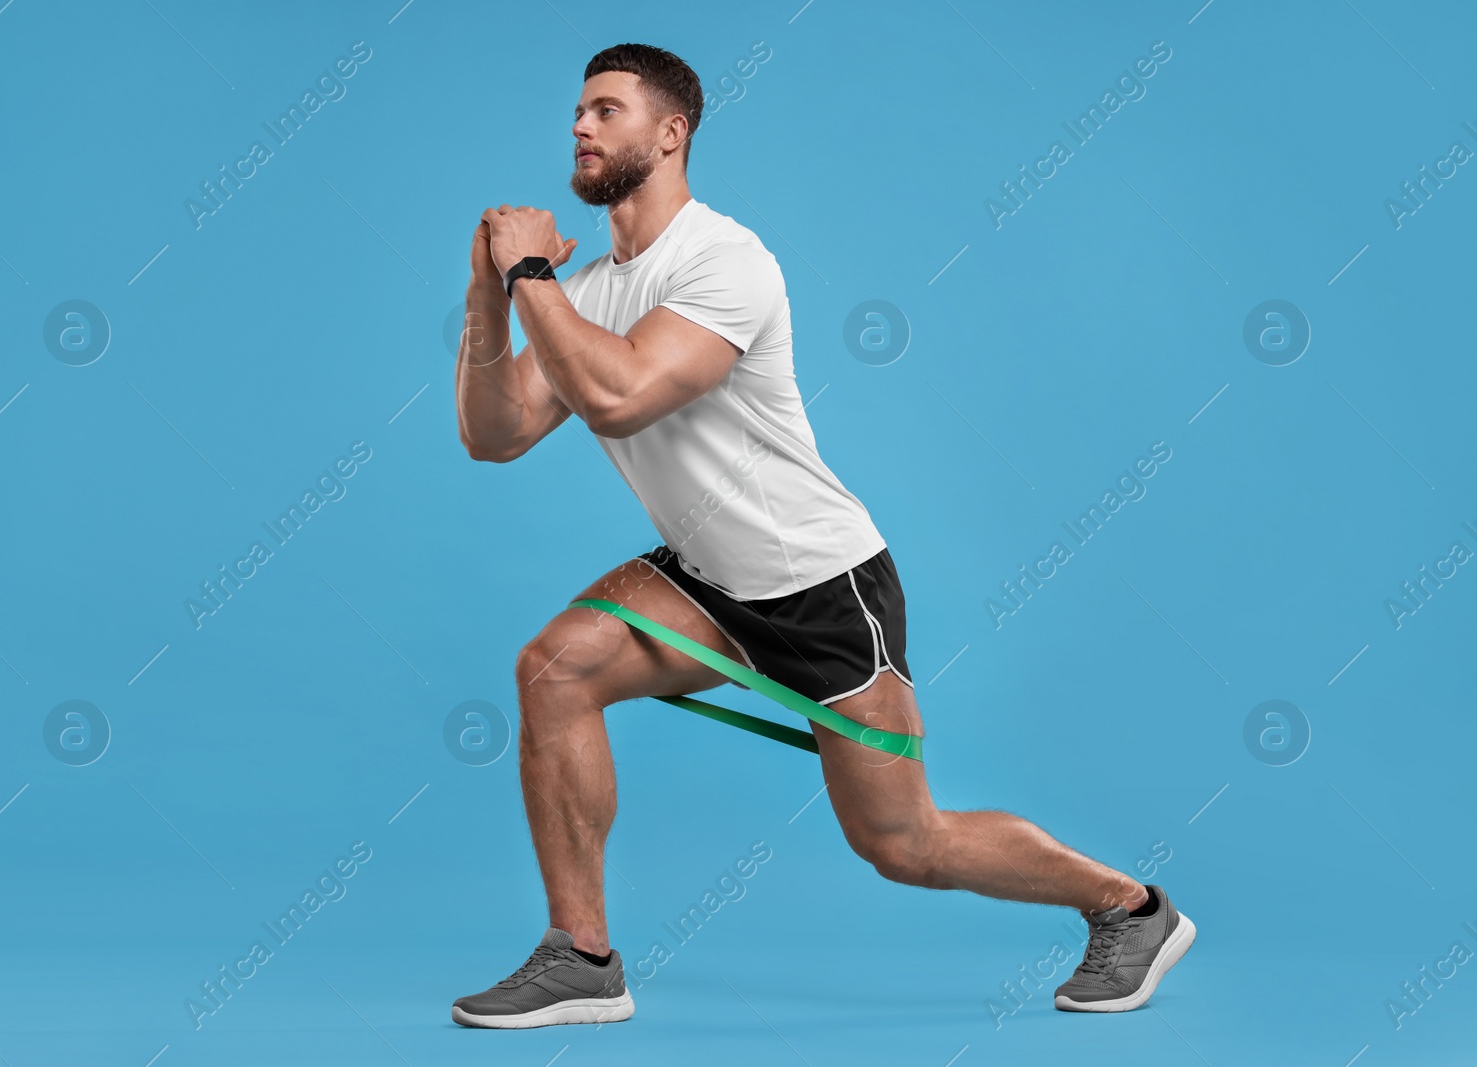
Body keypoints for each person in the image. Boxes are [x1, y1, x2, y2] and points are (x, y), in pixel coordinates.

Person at [449, 42, 1193, 1029]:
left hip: (816, 582)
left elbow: (619, 395)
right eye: (577, 112)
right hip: (706, 578)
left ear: (670, 134)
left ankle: (1131, 907)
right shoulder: (580, 297)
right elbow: (492, 436)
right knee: (553, 668)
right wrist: (486, 292)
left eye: (605, 110)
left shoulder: (724, 259)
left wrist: (533, 269)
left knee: (903, 841)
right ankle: (580, 955)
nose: (579, 128)